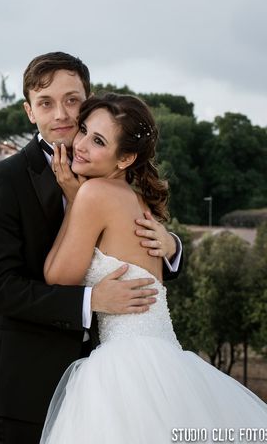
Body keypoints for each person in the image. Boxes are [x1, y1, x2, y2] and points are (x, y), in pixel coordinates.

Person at [0, 52, 183, 444]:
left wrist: (171, 247)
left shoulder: (112, 178)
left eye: (72, 100)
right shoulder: (3, 182)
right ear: (29, 112)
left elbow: (133, 249)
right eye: (46, 103)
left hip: (105, 389)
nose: (63, 114)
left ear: (88, 99)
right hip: (21, 391)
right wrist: (91, 300)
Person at [39, 93, 267, 443]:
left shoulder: (95, 193)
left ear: (125, 158)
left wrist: (73, 198)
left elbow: (57, 277)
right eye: (83, 130)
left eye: (98, 141)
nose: (80, 144)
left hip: (124, 363)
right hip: (163, 358)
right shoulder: (134, 197)